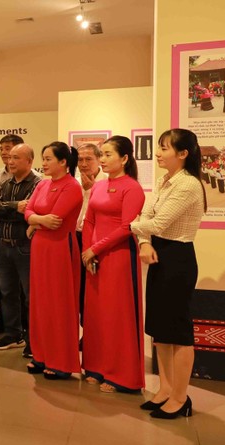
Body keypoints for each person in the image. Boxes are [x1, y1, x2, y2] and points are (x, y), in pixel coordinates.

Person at [131, 128, 206, 420]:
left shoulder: (187, 185)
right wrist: (145, 240)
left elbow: (157, 222)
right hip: (159, 254)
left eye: (164, 148)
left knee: (179, 331)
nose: (158, 153)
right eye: (159, 147)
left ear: (183, 153)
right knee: (161, 331)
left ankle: (180, 396)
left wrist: (129, 228)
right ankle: (164, 389)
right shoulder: (164, 181)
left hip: (178, 258)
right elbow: (145, 220)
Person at [80, 136, 145, 393]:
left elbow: (127, 227)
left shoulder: (132, 188)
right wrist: (87, 250)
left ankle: (122, 376)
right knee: (95, 315)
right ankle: (95, 366)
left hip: (117, 257)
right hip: (94, 257)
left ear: (125, 158)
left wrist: (95, 248)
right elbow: (90, 220)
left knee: (116, 315)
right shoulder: (98, 186)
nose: (103, 160)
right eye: (102, 155)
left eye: (108, 155)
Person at [24, 142, 83, 379]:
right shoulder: (43, 184)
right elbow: (27, 211)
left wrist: (34, 221)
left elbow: (56, 220)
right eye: (43, 158)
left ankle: (61, 361)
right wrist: (37, 220)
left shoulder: (72, 186)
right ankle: (41, 354)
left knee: (60, 304)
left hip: (60, 248)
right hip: (40, 247)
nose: (44, 163)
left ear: (63, 162)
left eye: (49, 159)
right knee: (40, 301)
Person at [0, 144, 40, 355]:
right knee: (7, 292)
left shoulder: (38, 184)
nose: (10, 161)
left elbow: (31, 211)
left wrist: (9, 209)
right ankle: (13, 333)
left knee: (29, 295)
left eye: (16, 157)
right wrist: (14, 207)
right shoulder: (6, 183)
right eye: (9, 157)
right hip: (4, 245)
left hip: (25, 247)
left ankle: (32, 338)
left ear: (29, 161)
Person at [0, 134, 25, 337]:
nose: (4, 152)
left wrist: (6, 209)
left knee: (20, 283)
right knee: (0, 281)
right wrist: (13, 207)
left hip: (21, 236)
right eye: (1, 148)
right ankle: (1, 321)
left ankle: (22, 326)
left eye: (8, 148)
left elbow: (26, 211)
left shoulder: (32, 177)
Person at [75, 143, 107, 342]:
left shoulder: (106, 182)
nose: (84, 164)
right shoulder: (74, 182)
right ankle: (83, 333)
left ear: (98, 160)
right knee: (78, 289)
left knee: (94, 290)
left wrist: (90, 190)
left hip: (98, 242)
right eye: (80, 160)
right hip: (76, 238)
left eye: (89, 159)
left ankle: (94, 334)